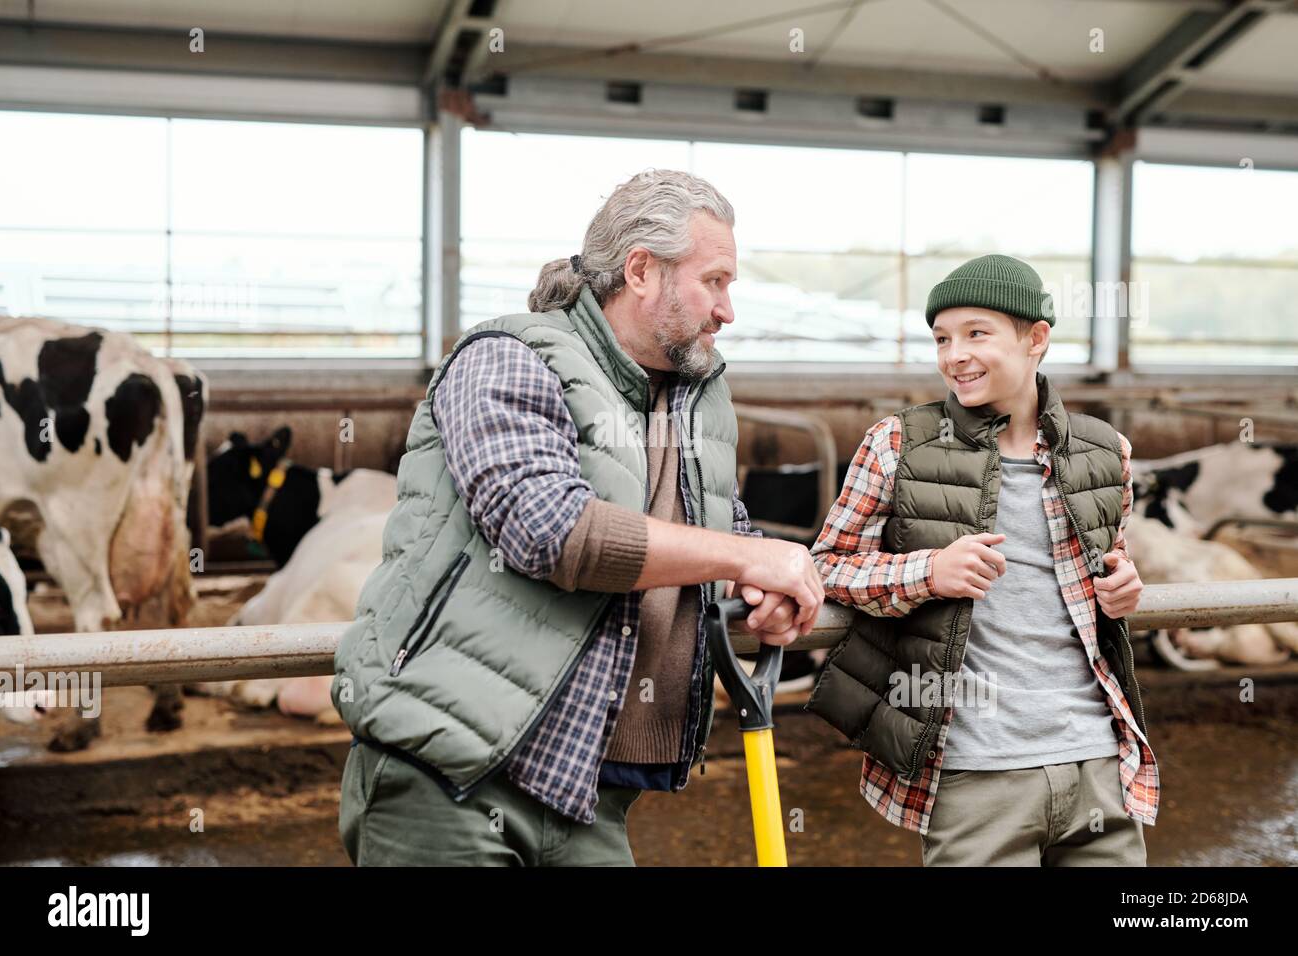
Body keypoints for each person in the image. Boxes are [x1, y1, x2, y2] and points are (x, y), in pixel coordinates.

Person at [332, 168, 824, 866]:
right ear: (642, 270)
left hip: (588, 790)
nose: (727, 310)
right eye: (714, 281)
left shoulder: (690, 402)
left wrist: (760, 589)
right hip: (456, 770)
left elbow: (721, 533)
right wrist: (746, 558)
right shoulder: (508, 357)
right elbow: (549, 529)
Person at [806, 254, 1159, 865]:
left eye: (977, 333)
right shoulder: (897, 443)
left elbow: (1109, 563)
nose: (954, 355)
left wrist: (1125, 589)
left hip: (1097, 761)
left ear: (1036, 339)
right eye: (942, 338)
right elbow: (829, 564)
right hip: (974, 774)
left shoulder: (1107, 452)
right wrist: (927, 572)